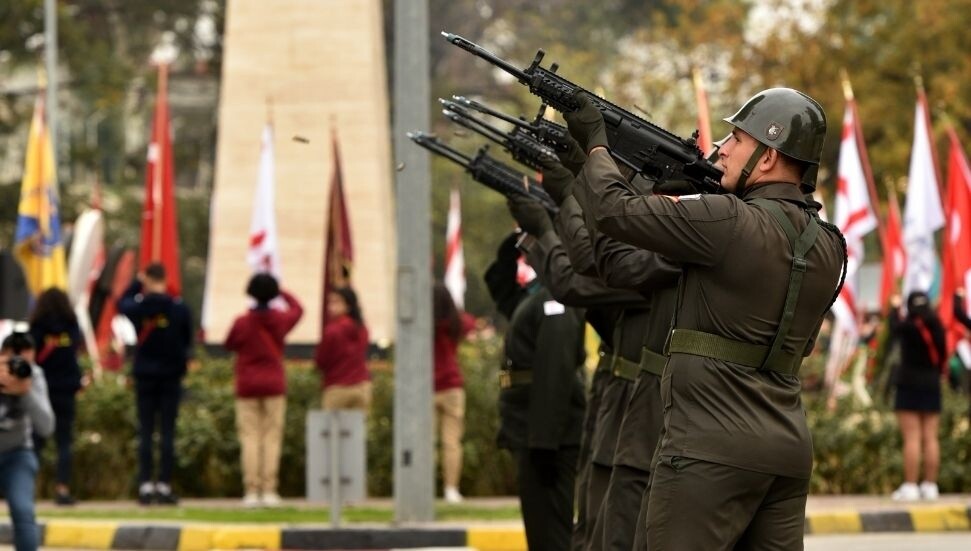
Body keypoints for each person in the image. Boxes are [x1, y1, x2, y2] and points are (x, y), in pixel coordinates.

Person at [567, 87, 846, 549]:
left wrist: (596, 145)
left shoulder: (727, 220)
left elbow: (613, 212)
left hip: (708, 447)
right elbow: (803, 342)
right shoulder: (829, 245)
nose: (723, 148)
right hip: (787, 449)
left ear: (768, 156)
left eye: (737, 138)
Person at [484, 232, 587, 551]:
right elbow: (499, 281)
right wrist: (521, 233)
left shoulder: (555, 300)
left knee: (551, 532)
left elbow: (554, 374)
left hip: (547, 436)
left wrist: (545, 442)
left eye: (533, 250)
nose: (526, 258)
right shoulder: (535, 297)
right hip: (530, 429)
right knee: (540, 528)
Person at [224, 274, 303, 508]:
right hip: (274, 385)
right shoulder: (280, 320)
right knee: (271, 437)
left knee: (250, 437)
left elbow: (229, 344)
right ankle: (269, 490)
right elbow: (298, 309)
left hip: (247, 385)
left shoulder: (242, 322)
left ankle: (251, 490)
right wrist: (281, 291)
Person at [117, 263, 193, 505]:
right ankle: (164, 484)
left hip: (145, 377)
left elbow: (121, 303)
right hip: (171, 377)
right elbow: (187, 341)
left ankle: (145, 485)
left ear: (148, 280)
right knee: (168, 432)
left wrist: (136, 283)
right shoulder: (179, 309)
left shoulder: (139, 308)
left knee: (146, 432)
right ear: (165, 279)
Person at [888, 291, 947, 501]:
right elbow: (943, 353)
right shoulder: (937, 325)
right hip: (931, 383)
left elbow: (893, 328)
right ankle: (930, 486)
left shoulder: (907, 326)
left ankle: (911, 486)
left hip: (909, 383)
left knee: (912, 437)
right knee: (931, 437)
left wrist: (894, 308)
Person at [27, 288, 83, 506]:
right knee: (64, 442)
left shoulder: (36, 328)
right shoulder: (72, 326)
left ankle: (27, 486)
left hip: (41, 391)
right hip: (66, 390)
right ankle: (62, 489)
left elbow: (29, 356)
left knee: (35, 441)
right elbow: (76, 348)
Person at [0, 332, 55, 551]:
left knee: (23, 510)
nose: (19, 367)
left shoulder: (34, 376)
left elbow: (46, 427)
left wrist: (26, 393)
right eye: (13, 360)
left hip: (17, 454)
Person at [432, 281, 475, 504]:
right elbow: (471, 323)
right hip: (452, 386)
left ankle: (424, 486)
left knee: (426, 442)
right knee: (452, 442)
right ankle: (451, 489)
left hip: (427, 387)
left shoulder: (425, 324)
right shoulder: (455, 322)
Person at [314, 286, 371, 411]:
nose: (330, 307)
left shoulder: (332, 330)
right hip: (362, 386)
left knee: (332, 424)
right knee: (358, 423)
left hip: (337, 387)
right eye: (330, 302)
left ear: (348, 305)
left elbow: (321, 360)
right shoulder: (362, 329)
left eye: (336, 302)